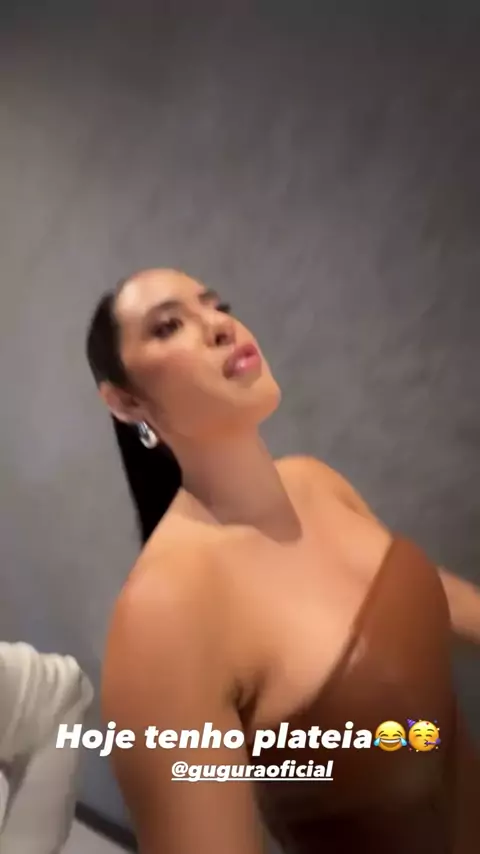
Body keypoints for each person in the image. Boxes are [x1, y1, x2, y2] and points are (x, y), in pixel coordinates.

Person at [86, 268, 480, 854]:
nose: (218, 325)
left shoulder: (316, 481)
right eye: (169, 326)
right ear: (124, 401)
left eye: (216, 306)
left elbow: (420, 595)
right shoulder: (163, 611)